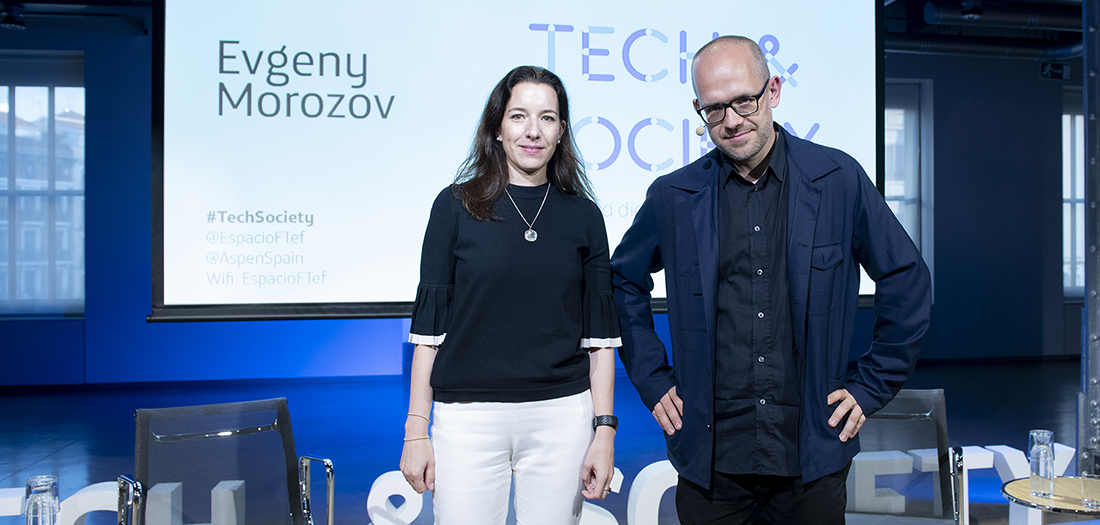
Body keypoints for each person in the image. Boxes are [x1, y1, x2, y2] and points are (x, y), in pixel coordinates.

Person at [611, 36, 932, 524]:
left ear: (773, 91)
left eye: (744, 100)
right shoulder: (674, 196)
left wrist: (871, 386)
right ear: (699, 110)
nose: (732, 120)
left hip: (811, 460)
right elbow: (622, 281)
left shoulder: (837, 179)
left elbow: (905, 276)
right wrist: (653, 380)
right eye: (714, 110)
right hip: (710, 464)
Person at [400, 65, 621, 525]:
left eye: (547, 118)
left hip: (562, 416)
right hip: (468, 419)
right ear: (497, 128)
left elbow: (600, 340)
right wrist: (416, 431)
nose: (533, 131)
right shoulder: (454, 207)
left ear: (561, 131)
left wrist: (604, 432)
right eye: (519, 116)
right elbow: (428, 333)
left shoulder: (584, 216)